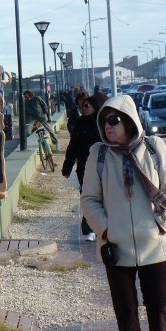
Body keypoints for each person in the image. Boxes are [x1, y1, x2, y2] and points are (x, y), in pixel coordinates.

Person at [80, 94, 166, 331]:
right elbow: (89, 199)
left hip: (154, 242)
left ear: (129, 120)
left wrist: (162, 224)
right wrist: (106, 231)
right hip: (117, 246)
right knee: (125, 309)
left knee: (159, 302)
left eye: (114, 120)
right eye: (103, 121)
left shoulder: (153, 148)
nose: (108, 126)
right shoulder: (99, 155)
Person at [61, 92, 106, 240]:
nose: (84, 108)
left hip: (103, 166)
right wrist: (67, 167)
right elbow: (73, 145)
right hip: (84, 166)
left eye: (87, 106)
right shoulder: (80, 123)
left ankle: (104, 227)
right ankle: (88, 230)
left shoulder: (103, 123)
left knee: (105, 197)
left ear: (95, 107)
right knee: (88, 197)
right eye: (83, 106)